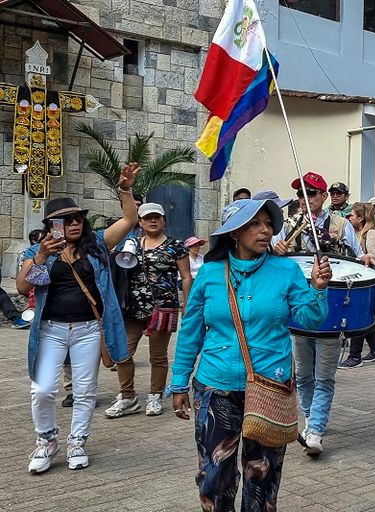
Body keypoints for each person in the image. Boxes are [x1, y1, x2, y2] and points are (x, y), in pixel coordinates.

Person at [169, 198, 331, 512]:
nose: (265, 231)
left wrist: (318, 288)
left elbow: (311, 319)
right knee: (215, 476)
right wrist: (178, 382)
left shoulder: (287, 271)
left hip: (271, 387)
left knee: (263, 476)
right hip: (216, 387)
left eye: (268, 224)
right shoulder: (211, 273)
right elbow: (191, 330)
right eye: (254, 224)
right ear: (234, 233)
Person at [17, 163, 139, 473]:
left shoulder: (96, 244)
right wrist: (42, 257)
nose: (74, 224)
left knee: (85, 390)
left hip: (87, 330)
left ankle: (77, 442)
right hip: (51, 330)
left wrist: (125, 189)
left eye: (78, 218)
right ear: (51, 225)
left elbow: (129, 219)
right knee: (42, 389)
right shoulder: (35, 250)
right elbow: (22, 286)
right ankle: (46, 440)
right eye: (65, 220)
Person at [272, 171, 373, 456]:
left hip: (332, 306)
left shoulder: (341, 224)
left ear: (324, 196)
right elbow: (270, 261)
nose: (305, 199)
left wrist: (366, 257)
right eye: (301, 194)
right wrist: (275, 250)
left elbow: (358, 257)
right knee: (303, 375)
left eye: (312, 193)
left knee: (324, 376)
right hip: (299, 307)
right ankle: (311, 420)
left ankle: (315, 429)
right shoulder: (287, 224)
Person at [105, 203, 192, 418]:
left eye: (157, 217)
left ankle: (155, 396)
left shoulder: (176, 245)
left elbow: (186, 276)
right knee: (123, 354)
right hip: (132, 307)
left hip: (163, 307)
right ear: (140, 222)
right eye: (147, 218)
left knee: (158, 356)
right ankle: (128, 396)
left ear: (164, 221)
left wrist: (187, 304)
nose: (153, 221)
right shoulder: (131, 244)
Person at [338, 202, 375, 368]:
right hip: (354, 277)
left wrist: (364, 256)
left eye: (352, 215)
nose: (349, 217)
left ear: (361, 218)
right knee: (365, 315)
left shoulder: (370, 233)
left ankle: (355, 356)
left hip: (365, 280)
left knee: (357, 314)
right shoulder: (353, 232)